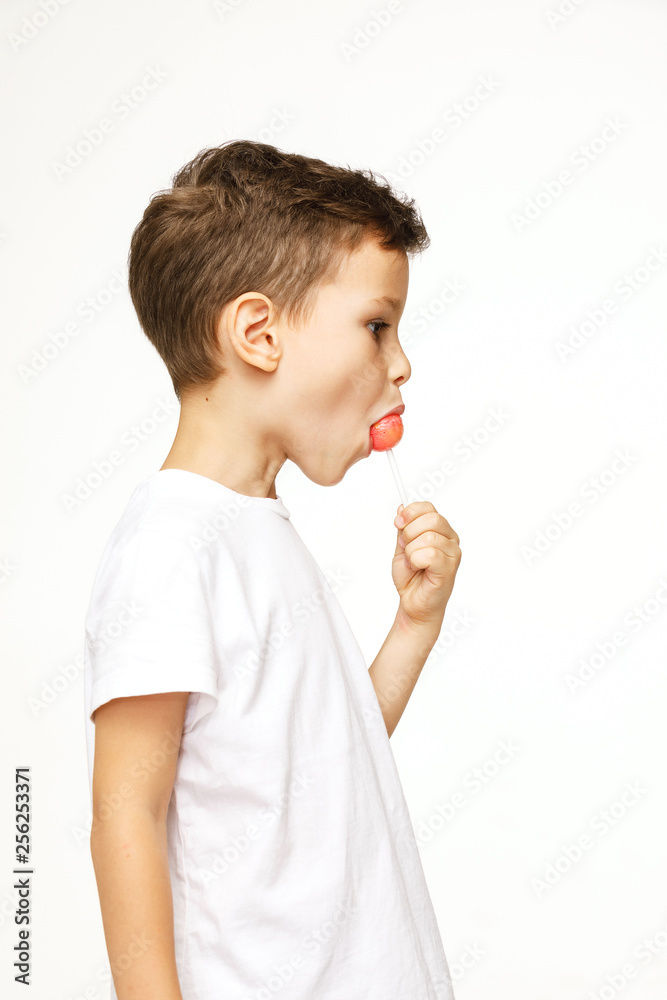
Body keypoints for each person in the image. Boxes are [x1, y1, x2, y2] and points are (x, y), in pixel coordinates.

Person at [84, 139, 462, 1000]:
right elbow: (124, 819)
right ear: (257, 334)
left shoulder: (256, 530)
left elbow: (326, 765)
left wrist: (412, 627)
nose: (400, 363)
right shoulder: (172, 544)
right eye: (376, 325)